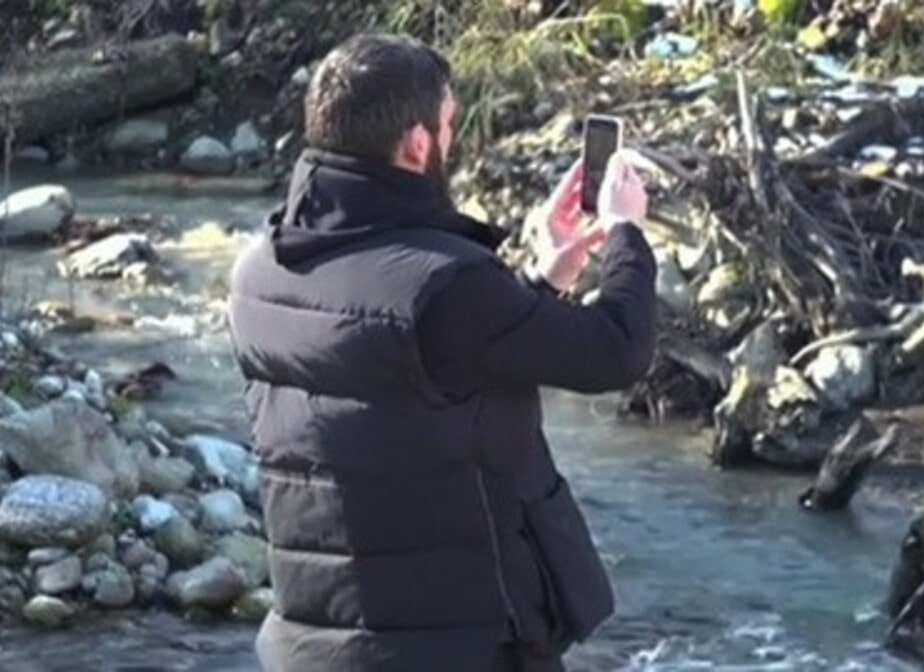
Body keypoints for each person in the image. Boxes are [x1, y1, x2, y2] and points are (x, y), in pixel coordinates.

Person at [225, 33, 658, 672]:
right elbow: (616, 352)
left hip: (311, 649)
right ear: (418, 143)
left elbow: (411, 369)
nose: (451, 139)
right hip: (465, 647)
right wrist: (626, 232)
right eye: (450, 123)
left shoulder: (258, 273)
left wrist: (543, 277)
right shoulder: (447, 285)